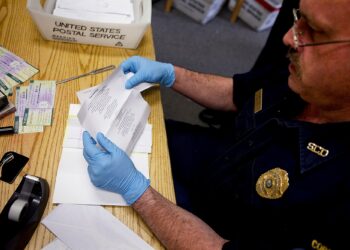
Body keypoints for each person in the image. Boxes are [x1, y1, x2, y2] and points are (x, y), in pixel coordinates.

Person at [82, 0, 350, 249]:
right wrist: (172, 74)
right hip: (222, 156)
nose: (288, 38)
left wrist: (138, 192)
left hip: (216, 228)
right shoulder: (305, 71)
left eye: (314, 30)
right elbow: (239, 93)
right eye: (298, 18)